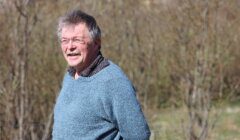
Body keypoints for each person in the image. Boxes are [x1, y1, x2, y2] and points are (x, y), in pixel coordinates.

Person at [52, 9, 151, 140]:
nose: (70, 47)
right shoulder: (70, 76)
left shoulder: (113, 81)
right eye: (65, 40)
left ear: (97, 43)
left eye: (77, 40)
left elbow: (139, 136)